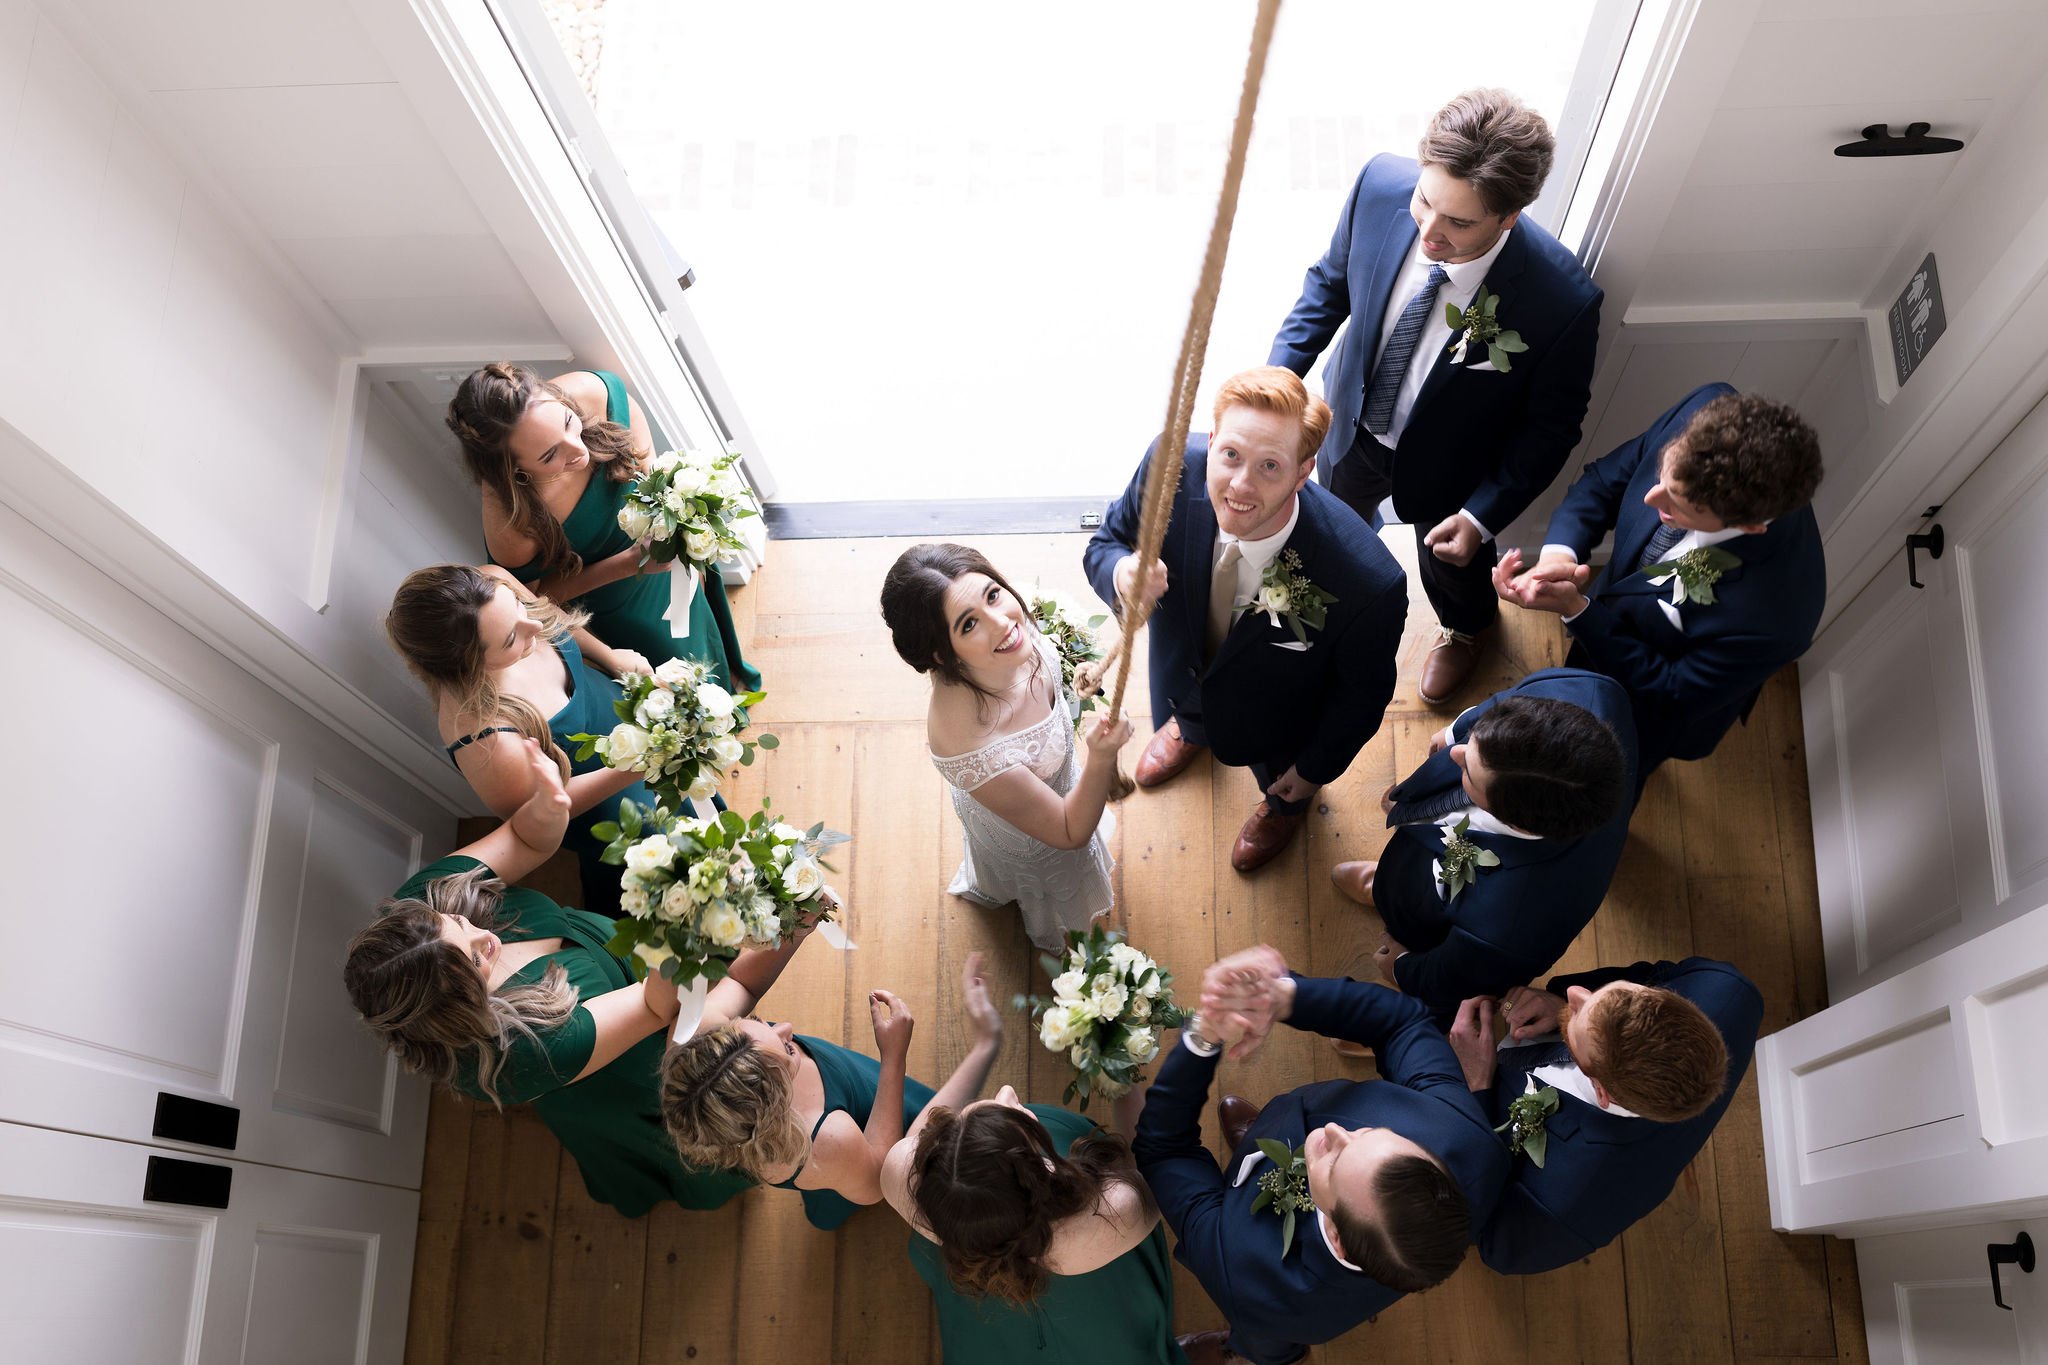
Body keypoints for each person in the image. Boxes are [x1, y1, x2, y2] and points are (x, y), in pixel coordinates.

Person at [1269, 88, 1602, 705]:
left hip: (1455, 468)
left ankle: (1468, 631)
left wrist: (1479, 516)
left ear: (1509, 217)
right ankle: (1321, 608)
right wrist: (1277, 386)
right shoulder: (1379, 186)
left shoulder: (1562, 300)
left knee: (1454, 569)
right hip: (1352, 422)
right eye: (1425, 202)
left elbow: (1551, 428)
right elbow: (1330, 284)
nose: (1428, 232)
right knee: (1330, 525)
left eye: (1458, 222)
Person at [342, 738, 754, 1214]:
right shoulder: (527, 1049)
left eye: (461, 924)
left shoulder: (422, 917)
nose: (486, 937)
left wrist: (576, 792)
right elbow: (654, 1005)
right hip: (628, 1044)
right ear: (461, 1006)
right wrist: (691, 921)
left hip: (630, 960)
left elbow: (523, 838)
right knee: (698, 1099)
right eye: (476, 962)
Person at [1083, 366, 1407, 873]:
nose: (1240, 485)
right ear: (1211, 442)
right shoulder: (1169, 465)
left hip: (1278, 724)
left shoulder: (1368, 583)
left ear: (1303, 472)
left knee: (1282, 778)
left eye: (1270, 466)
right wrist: (1123, 573)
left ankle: (1283, 807)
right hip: (1182, 671)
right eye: (1230, 455)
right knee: (1194, 697)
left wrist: (1309, 772)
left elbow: (1360, 699)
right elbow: (1106, 544)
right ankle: (1190, 728)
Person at [1132, 946, 1508, 1365]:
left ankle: (1251, 1353)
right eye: (1367, 1132)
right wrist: (1284, 997)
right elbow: (1403, 1023)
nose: (1330, 1130)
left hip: (1278, 1313)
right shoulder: (1465, 1137)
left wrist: (1202, 1039)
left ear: (1338, 1240)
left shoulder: (1246, 1275)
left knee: (1267, 1336)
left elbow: (1165, 1150)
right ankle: (1265, 1146)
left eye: (1334, 1159)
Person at [1495, 383, 1825, 779]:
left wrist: (1577, 610)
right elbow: (1603, 483)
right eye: (1663, 477)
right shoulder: (1706, 412)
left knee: (1606, 776)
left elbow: (1670, 692)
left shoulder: (1777, 619)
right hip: (1609, 625)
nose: (1652, 499)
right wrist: (1558, 555)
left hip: (1648, 710)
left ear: (1749, 527)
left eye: (1678, 506)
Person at [874, 955, 1186, 1362]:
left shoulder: (901, 1177)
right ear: (1042, 1175)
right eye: (1016, 1115)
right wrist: (1118, 1065)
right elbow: (1154, 1165)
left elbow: (913, 1142)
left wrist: (987, 1043)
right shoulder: (1112, 1216)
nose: (1007, 1091)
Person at [1330, 668, 1635, 1029]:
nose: (1454, 754)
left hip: (1450, 936)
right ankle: (1391, 887)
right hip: (1445, 848)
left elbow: (1451, 979)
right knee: (1404, 879)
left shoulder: (1504, 928)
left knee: (1431, 967)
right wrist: (1459, 728)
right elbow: (1503, 705)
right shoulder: (1588, 691)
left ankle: (1399, 1017)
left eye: (1469, 773)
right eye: (1473, 743)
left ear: (1517, 821)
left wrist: (1400, 967)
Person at [447, 361, 761, 695]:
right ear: (513, 470)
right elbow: (537, 599)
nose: (578, 449)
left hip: (661, 551)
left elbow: (648, 467)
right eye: (550, 454)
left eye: (569, 422)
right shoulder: (513, 525)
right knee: (679, 668)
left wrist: (675, 531)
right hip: (618, 600)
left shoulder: (595, 393)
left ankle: (729, 682)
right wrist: (629, 563)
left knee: (702, 623)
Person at [882, 543, 1132, 951]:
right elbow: (1068, 831)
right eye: (968, 624)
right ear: (939, 654)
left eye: (994, 594)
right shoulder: (970, 742)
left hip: (1057, 787)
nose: (1002, 623)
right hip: (1035, 831)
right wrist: (1102, 757)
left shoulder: (1010, 630)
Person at [1443, 957, 1762, 1275]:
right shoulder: (1726, 988)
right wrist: (1559, 1008)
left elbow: (1493, 1244)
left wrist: (1477, 1088)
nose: (1574, 992)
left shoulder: (1558, 1209)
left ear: (1602, 1093)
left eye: (1578, 1011)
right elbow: (1650, 973)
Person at [386, 562, 666, 918]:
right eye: (509, 639)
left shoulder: (492, 587)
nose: (533, 626)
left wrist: (611, 658)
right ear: (468, 665)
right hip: (606, 795)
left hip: (620, 718)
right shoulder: (485, 736)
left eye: (518, 608)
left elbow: (550, 618)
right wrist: (635, 766)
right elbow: (544, 811)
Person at [658, 933, 938, 1231]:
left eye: (756, 1021)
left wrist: (796, 931)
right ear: (779, 1104)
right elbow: (876, 1179)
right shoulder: (826, 1140)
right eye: (788, 1051)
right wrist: (893, 1058)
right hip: (860, 1144)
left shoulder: (696, 1037)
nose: (786, 1027)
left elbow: (742, 983)